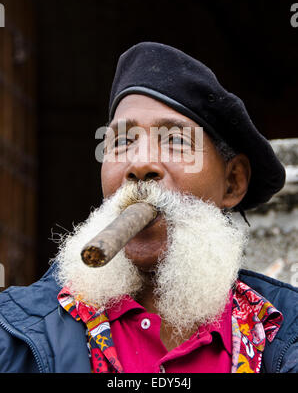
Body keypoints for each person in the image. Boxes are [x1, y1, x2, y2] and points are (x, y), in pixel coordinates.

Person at [0, 42, 297, 374]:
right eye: (122, 142)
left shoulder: (285, 334)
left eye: (175, 141)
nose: (138, 164)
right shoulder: (15, 337)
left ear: (232, 182)